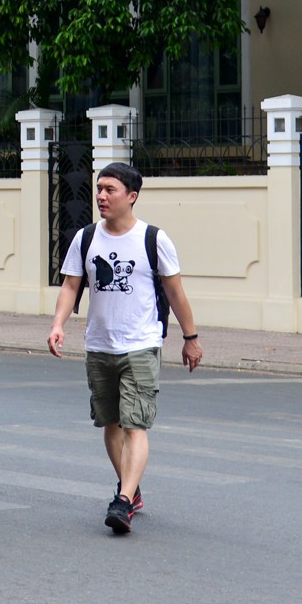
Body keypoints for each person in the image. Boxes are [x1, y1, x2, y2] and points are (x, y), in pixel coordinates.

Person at [47, 161, 202, 535]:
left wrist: (191, 337)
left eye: (110, 190)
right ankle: (130, 488)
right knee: (110, 422)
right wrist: (57, 324)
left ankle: (123, 499)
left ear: (131, 197)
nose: (101, 196)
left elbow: (175, 291)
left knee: (135, 423)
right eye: (99, 189)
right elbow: (71, 286)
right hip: (99, 344)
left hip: (141, 343)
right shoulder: (85, 238)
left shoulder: (154, 239)